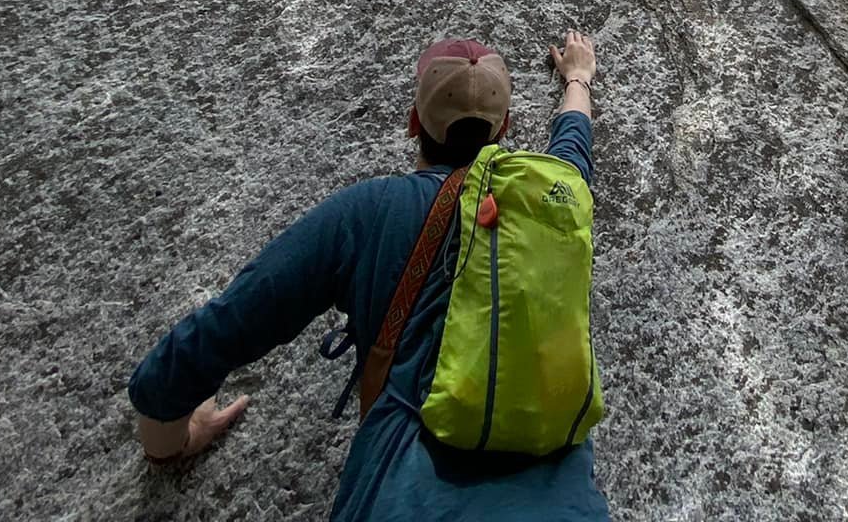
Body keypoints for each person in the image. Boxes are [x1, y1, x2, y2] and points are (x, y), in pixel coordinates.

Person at [126, 29, 609, 521]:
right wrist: (578, 76)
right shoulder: (555, 198)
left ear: (413, 122)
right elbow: (573, 144)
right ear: (505, 127)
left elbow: (225, 325)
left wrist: (170, 445)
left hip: (402, 499)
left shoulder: (370, 212)